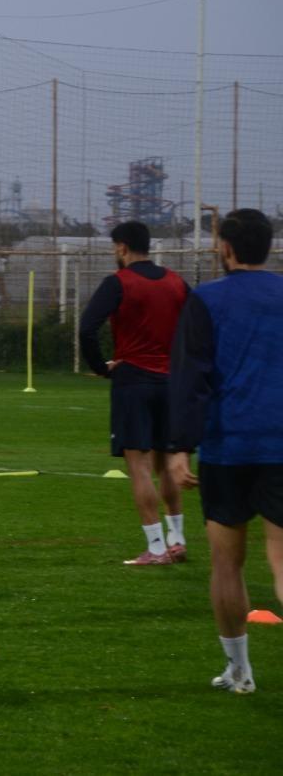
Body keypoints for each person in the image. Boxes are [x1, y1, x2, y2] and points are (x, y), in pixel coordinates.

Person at [167, 208, 283, 696]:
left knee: (226, 564)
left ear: (226, 247)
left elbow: (191, 377)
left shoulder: (206, 299)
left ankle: (239, 671)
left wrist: (178, 447)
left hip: (227, 446)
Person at [78, 220, 189, 565]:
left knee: (139, 467)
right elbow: (198, 327)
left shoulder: (119, 283)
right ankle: (178, 539)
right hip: (172, 382)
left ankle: (155, 548)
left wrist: (100, 367)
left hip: (134, 382)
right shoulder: (176, 282)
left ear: (122, 247)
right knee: (169, 462)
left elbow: (87, 328)